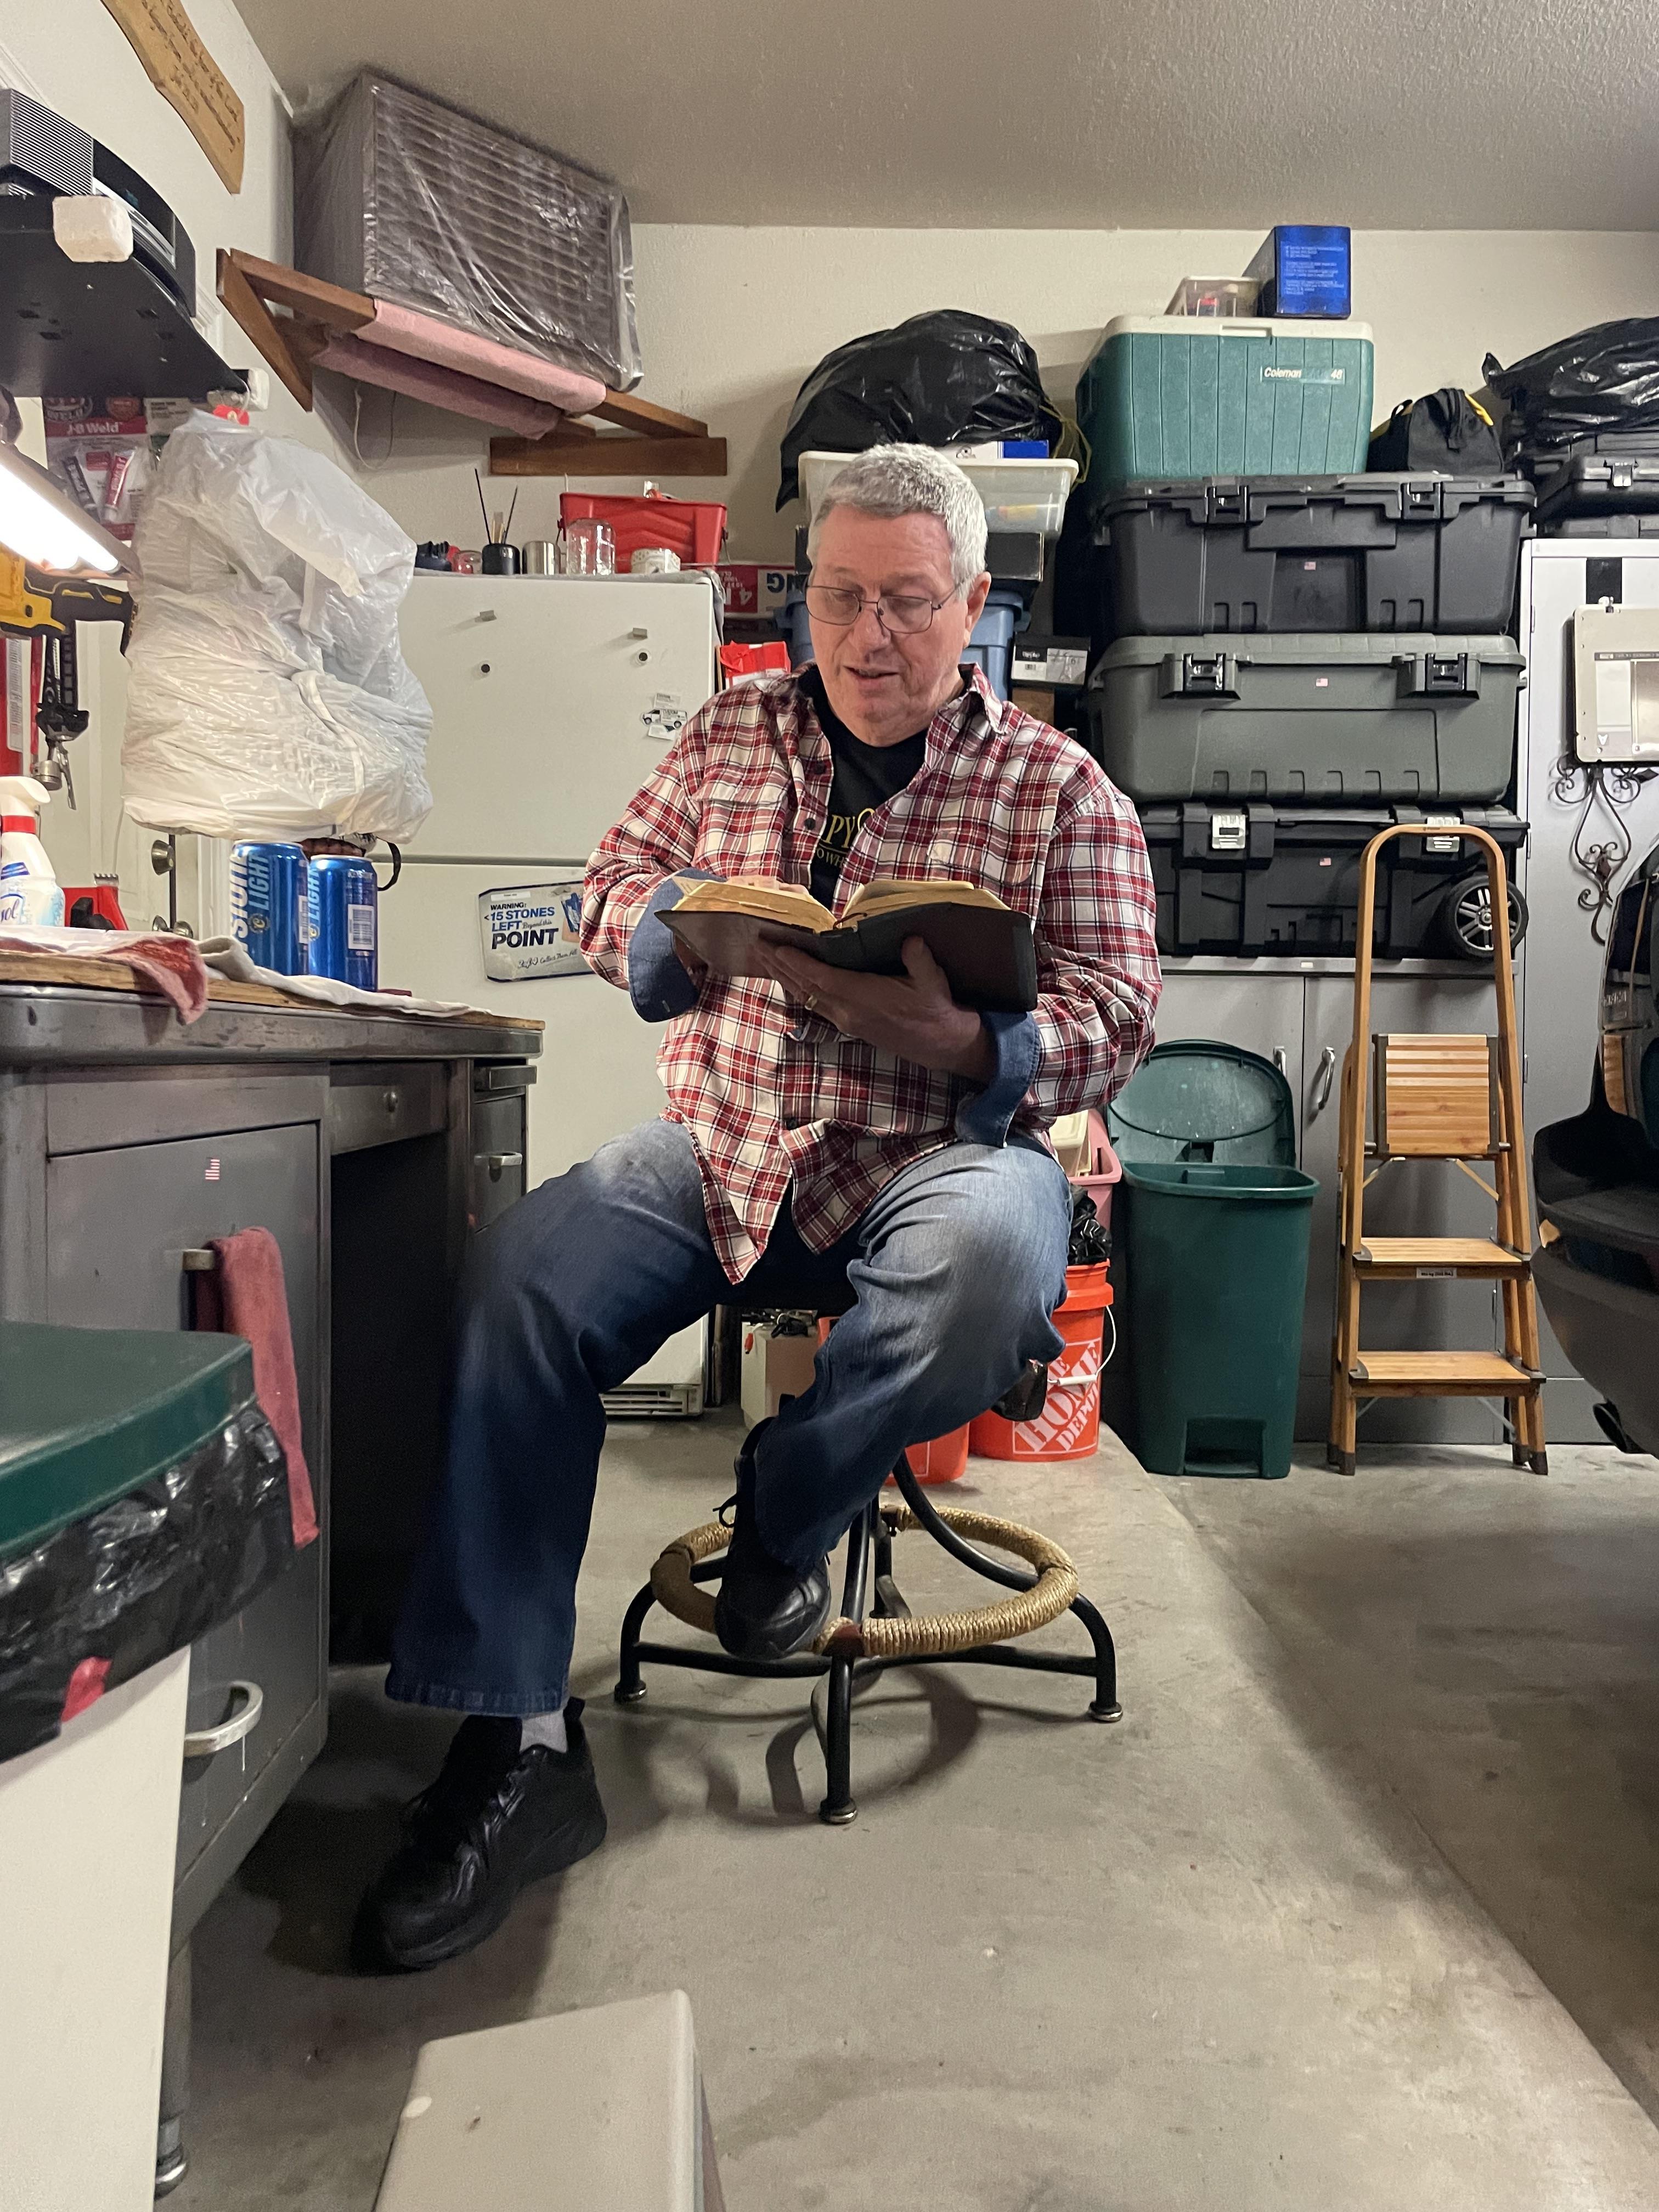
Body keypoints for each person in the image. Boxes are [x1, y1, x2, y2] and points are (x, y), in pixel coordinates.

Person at [359, 444, 1160, 1970]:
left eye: (907, 602)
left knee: (991, 1261)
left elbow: (1120, 1013)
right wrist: (688, 931)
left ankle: (787, 1518)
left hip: (934, 1154)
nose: (869, 636)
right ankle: (512, 1743)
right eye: (840, 598)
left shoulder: (1059, 787)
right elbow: (606, 888)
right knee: (522, 1276)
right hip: (725, 1145)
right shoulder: (731, 732)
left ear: (973, 605)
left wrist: (974, 1043)